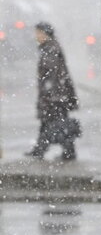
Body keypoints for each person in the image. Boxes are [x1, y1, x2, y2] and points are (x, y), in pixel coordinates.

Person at [25, 22, 79, 161]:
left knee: (56, 123)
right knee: (53, 123)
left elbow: (53, 73)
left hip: (55, 95)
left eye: (38, 33)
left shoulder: (50, 48)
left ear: (45, 33)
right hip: (57, 94)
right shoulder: (49, 47)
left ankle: (62, 151)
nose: (36, 36)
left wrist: (51, 93)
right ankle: (43, 149)